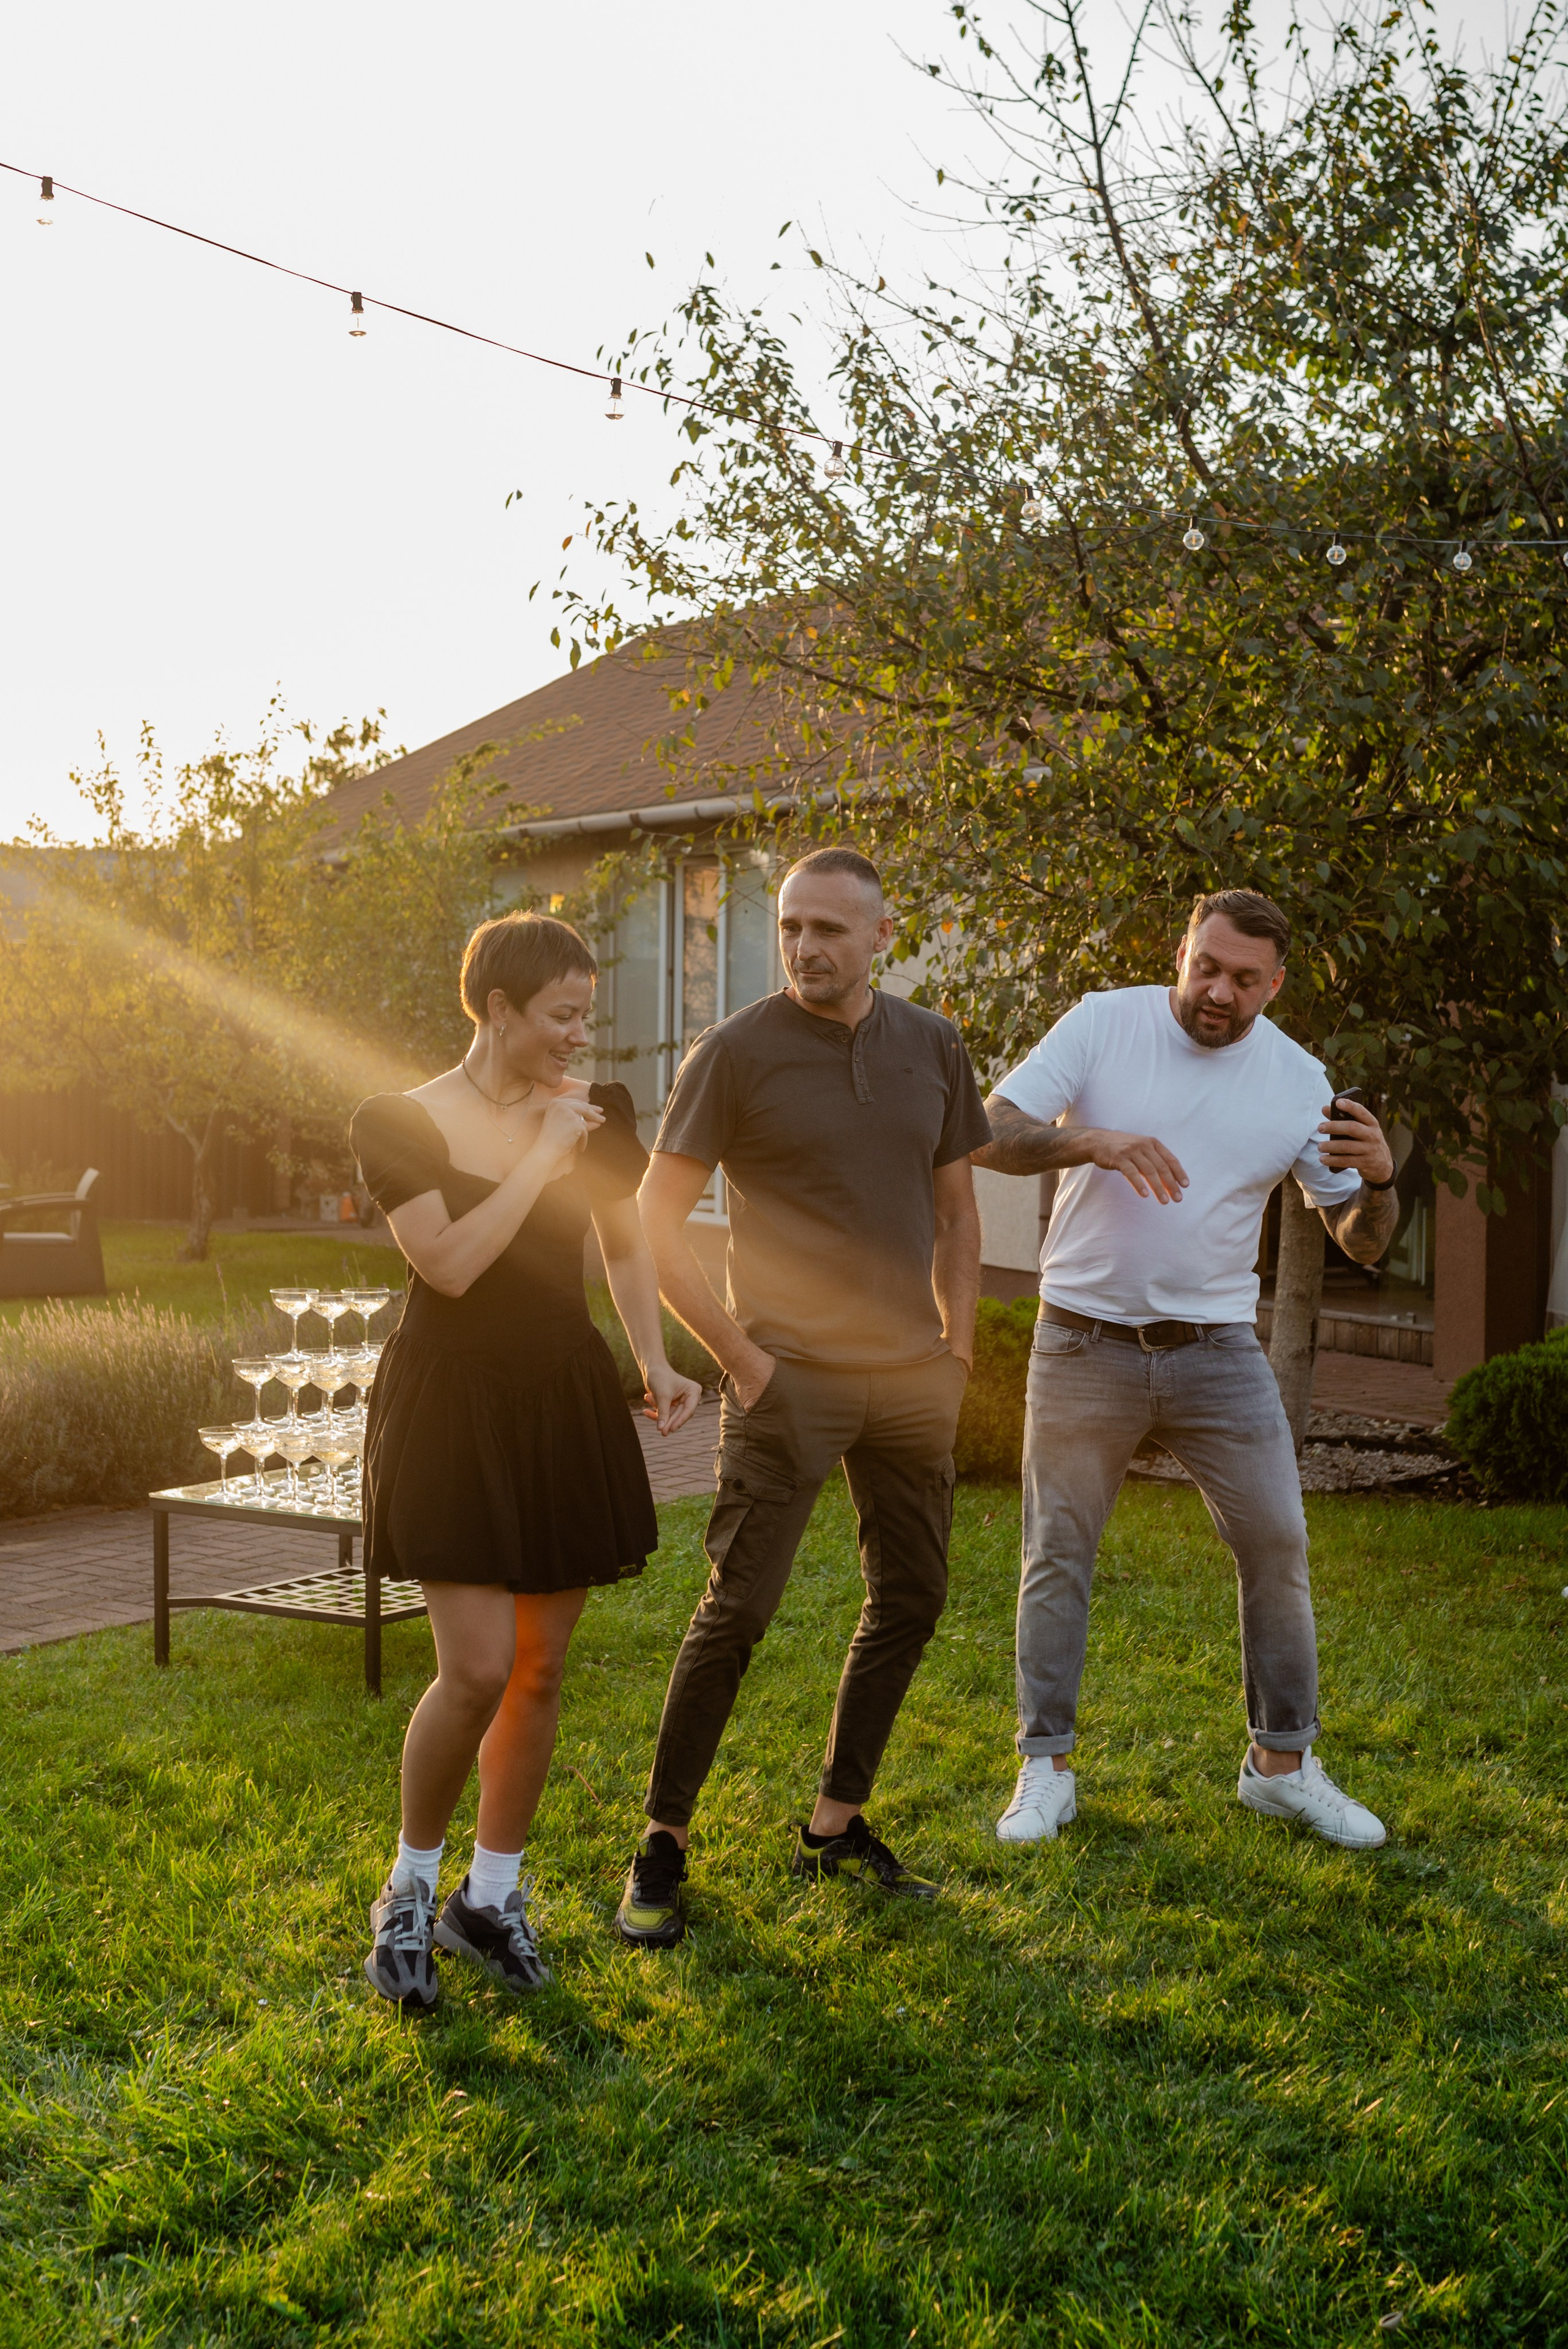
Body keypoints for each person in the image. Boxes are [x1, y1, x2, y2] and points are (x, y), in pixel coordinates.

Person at [614, 846, 992, 1948]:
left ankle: (836, 1825)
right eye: (790, 928)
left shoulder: (932, 1045)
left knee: (913, 1595)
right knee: (739, 1611)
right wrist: (740, 1357)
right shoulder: (734, 1054)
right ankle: (663, 1844)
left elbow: (961, 1216)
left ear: (883, 936)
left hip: (913, 1379)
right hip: (789, 1383)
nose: (806, 948)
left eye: (831, 929)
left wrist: (958, 1353)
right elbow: (653, 1222)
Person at [973, 887, 1399, 1852]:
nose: (1218, 991)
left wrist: (1379, 1181)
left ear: (1274, 985)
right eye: (1206, 966)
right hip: (1082, 1339)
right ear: (1183, 951)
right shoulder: (1103, 1022)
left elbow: (1363, 1242)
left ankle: (1280, 1768)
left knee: (1278, 1549)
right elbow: (988, 1131)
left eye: (1244, 979)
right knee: (1057, 1555)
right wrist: (1093, 1139)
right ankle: (1046, 1767)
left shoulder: (1298, 1079)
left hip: (1219, 1353)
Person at [349, 911, 702, 2008]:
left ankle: (491, 1900)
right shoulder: (397, 1120)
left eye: (584, 1016)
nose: (575, 1039)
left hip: (559, 1399)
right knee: (478, 1669)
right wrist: (542, 1153)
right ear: (498, 1011)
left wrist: (655, 1360)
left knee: (542, 1669)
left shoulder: (599, 1114)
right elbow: (448, 1266)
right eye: (559, 1016)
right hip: (452, 1406)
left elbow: (623, 1239)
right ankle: (407, 1894)